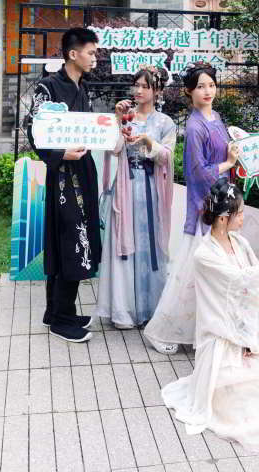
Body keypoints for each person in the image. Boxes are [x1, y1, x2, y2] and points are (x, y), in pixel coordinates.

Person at [160, 177, 259, 450]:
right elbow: (243, 281)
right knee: (243, 399)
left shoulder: (239, 242)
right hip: (221, 341)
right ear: (222, 219)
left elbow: (256, 280)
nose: (243, 217)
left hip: (246, 334)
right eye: (239, 213)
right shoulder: (204, 255)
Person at [144, 63, 238, 354]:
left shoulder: (216, 117)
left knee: (208, 274)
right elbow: (197, 172)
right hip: (205, 206)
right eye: (200, 87)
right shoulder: (195, 126)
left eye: (211, 85)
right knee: (190, 272)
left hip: (221, 200)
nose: (207, 91)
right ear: (188, 91)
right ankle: (160, 329)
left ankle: (206, 330)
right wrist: (228, 164)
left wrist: (232, 153)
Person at [27, 27, 102, 343]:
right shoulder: (48, 87)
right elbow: (32, 129)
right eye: (91, 52)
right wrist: (60, 154)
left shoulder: (82, 88)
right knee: (72, 239)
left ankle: (57, 311)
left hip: (82, 172)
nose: (95, 58)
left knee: (69, 239)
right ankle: (62, 319)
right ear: (73, 54)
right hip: (62, 176)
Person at [97, 66, 176, 329]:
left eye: (145, 86)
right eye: (137, 85)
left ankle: (151, 308)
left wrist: (149, 143)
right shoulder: (126, 115)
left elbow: (168, 156)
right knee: (123, 244)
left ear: (157, 90)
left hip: (151, 190)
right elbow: (113, 148)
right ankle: (124, 311)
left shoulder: (165, 122)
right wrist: (117, 120)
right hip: (125, 187)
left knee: (150, 245)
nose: (139, 90)